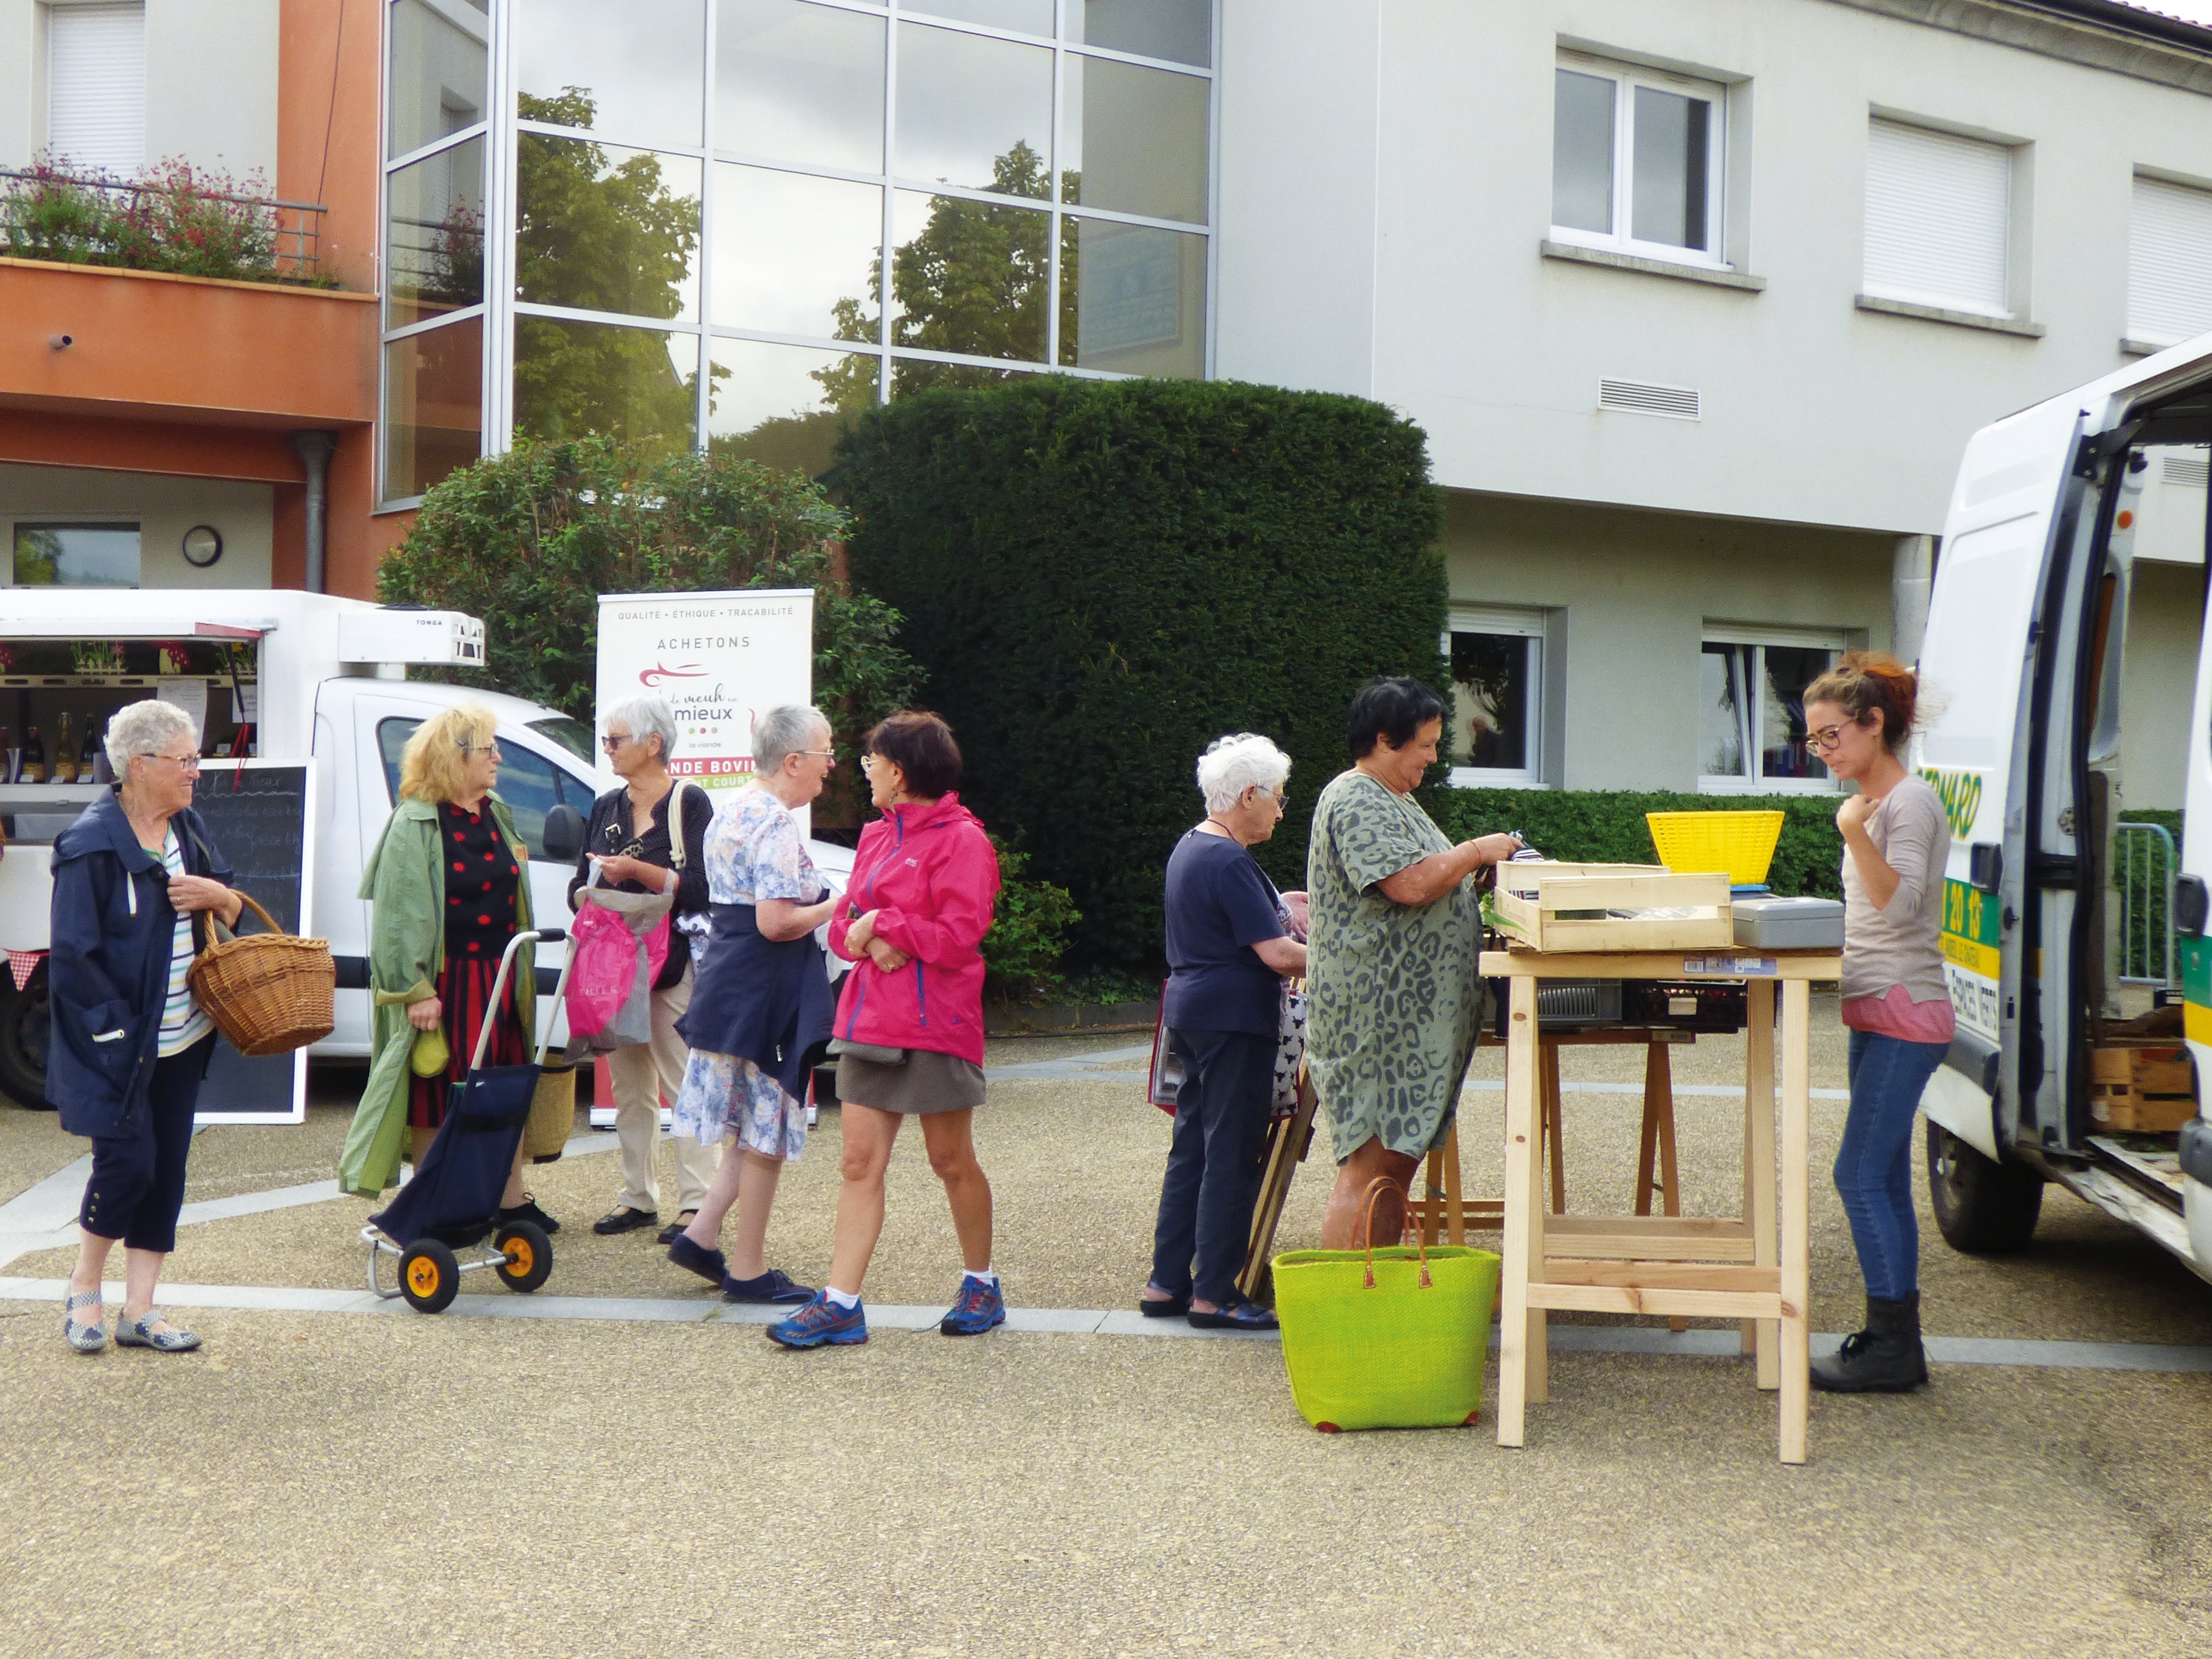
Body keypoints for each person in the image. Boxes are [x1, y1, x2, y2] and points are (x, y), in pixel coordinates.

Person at [768, 711, 1003, 1349]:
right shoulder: (875, 837)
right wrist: (871, 932)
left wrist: (883, 928)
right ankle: (841, 1303)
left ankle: (981, 1283)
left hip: (936, 1024)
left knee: (950, 1161)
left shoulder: (964, 842)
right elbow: (844, 928)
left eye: (871, 760)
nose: (862, 769)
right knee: (856, 1162)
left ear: (898, 772)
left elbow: (959, 939)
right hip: (871, 1017)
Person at [49, 699, 242, 1354]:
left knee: (169, 1170)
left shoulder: (189, 827)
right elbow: (75, 959)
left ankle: (141, 1310)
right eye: (186, 761)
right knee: (127, 1165)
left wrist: (219, 897)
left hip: (186, 1036)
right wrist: (114, 1037)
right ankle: (84, 1285)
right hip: (118, 1048)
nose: (197, 773)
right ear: (141, 764)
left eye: (196, 760)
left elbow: (234, 900)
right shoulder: (88, 845)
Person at [1305, 678, 1522, 1249]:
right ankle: (1345, 1313)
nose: (1433, 756)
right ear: (1384, 740)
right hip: (1374, 1023)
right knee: (1371, 1169)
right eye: (1425, 745)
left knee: (1391, 1170)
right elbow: (1410, 884)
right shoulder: (1355, 797)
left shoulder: (1392, 795)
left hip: (1400, 1025)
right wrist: (1477, 851)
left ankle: (1368, 1308)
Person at [338, 703, 554, 1232]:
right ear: (456, 758)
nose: (498, 757)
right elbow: (399, 915)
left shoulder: (495, 810)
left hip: (500, 978)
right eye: (488, 749)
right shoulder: (415, 821)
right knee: (438, 1090)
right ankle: (430, 1199)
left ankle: (510, 1201)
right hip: (448, 982)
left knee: (502, 1088)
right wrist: (415, 991)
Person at [1803, 654, 1952, 1394]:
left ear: (1874, 724)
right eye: (1814, 740)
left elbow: (1902, 905)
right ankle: (1896, 1344)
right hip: (1876, 1009)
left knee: (1858, 1175)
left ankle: (1893, 1346)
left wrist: (1852, 832)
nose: (1824, 751)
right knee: (1885, 1176)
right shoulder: (1873, 804)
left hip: (1905, 1011)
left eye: (1832, 736)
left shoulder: (1908, 803)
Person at [662, 705, 840, 1303]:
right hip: (766, 986)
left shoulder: (730, 808)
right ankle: (748, 1270)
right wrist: (836, 907)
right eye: (826, 753)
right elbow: (778, 921)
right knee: (767, 1128)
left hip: (730, 979)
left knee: (744, 1123)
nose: (831, 766)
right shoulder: (775, 823)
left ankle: (702, 1235)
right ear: (794, 761)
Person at [1140, 734, 1310, 1331]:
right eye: (1278, 798)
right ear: (1247, 795)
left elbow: (1230, 920)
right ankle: (1216, 1292)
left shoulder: (1193, 846)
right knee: (1232, 1154)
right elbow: (1279, 955)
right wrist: (1346, 958)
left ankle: (1167, 1282)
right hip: (1235, 1017)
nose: (1281, 811)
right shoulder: (1231, 860)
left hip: (1191, 1011)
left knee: (1192, 1146)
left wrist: (1280, 904)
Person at [572, 694, 718, 1245]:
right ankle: (638, 1197)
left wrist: (640, 872)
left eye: (616, 740)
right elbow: (574, 883)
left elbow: (705, 887)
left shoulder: (689, 803)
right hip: (615, 964)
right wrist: (588, 895)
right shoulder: (606, 805)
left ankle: (698, 1205)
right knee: (628, 1087)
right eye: (606, 739)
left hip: (669, 963)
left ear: (653, 744)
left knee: (684, 1083)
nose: (607, 748)